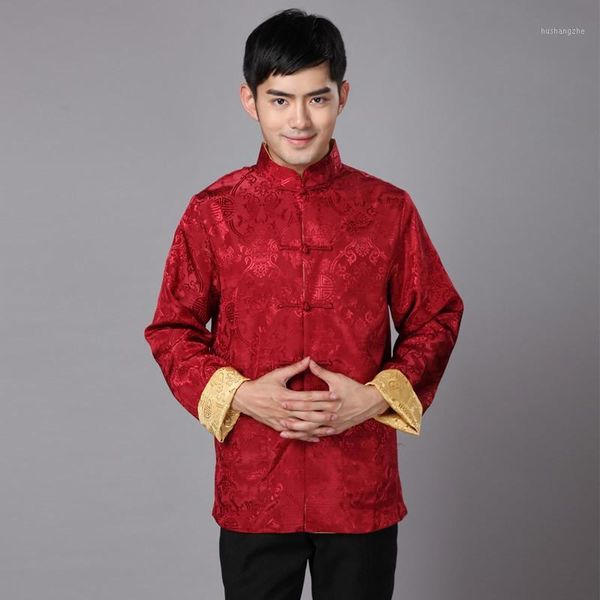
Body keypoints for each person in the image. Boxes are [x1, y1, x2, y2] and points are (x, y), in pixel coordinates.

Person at [143, 7, 464, 600]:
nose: (299, 119)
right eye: (280, 99)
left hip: (359, 488)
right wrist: (241, 394)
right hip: (254, 486)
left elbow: (437, 317)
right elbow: (171, 329)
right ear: (250, 100)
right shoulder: (213, 213)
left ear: (343, 97)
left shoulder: (388, 209)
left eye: (317, 99)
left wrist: (375, 397)